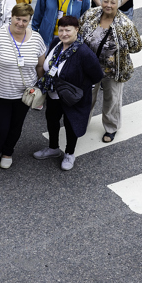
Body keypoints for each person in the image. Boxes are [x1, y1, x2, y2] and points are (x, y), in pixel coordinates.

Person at [0, 3, 47, 170]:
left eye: (25, 20)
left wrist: (38, 86)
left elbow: (40, 66)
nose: (20, 23)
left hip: (24, 95)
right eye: (17, 19)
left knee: (16, 126)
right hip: (0, 93)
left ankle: (8, 152)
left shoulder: (36, 38)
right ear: (11, 17)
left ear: (30, 21)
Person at [32, 16, 104, 170]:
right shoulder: (55, 43)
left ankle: (70, 153)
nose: (64, 33)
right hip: (53, 95)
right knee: (52, 120)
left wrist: (78, 87)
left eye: (68, 30)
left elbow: (97, 75)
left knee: (71, 124)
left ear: (76, 30)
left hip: (72, 98)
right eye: (61, 30)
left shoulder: (84, 52)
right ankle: (53, 148)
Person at [78, 0, 142, 143]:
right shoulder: (91, 15)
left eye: (113, 2)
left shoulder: (125, 24)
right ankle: (81, 123)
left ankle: (111, 128)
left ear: (118, 4)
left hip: (114, 70)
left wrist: (118, 53)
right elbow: (79, 31)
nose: (108, 5)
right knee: (86, 97)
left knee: (112, 99)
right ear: (101, 0)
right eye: (105, 1)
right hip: (90, 67)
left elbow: (137, 46)